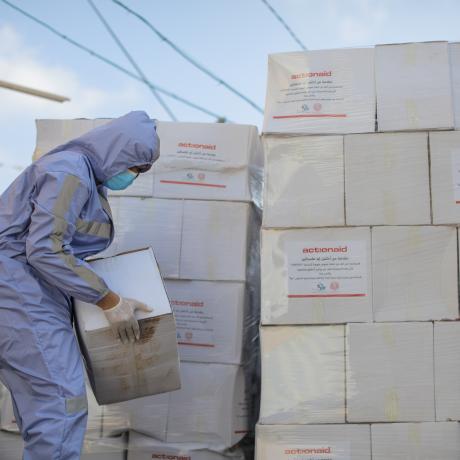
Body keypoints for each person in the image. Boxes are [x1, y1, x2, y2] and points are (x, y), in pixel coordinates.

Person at [0, 111, 160, 459]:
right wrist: (107, 299)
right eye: (136, 166)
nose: (135, 175)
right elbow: (45, 248)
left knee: (43, 408)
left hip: (26, 294)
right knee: (61, 402)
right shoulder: (69, 171)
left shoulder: (85, 179)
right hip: (20, 293)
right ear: (117, 151)